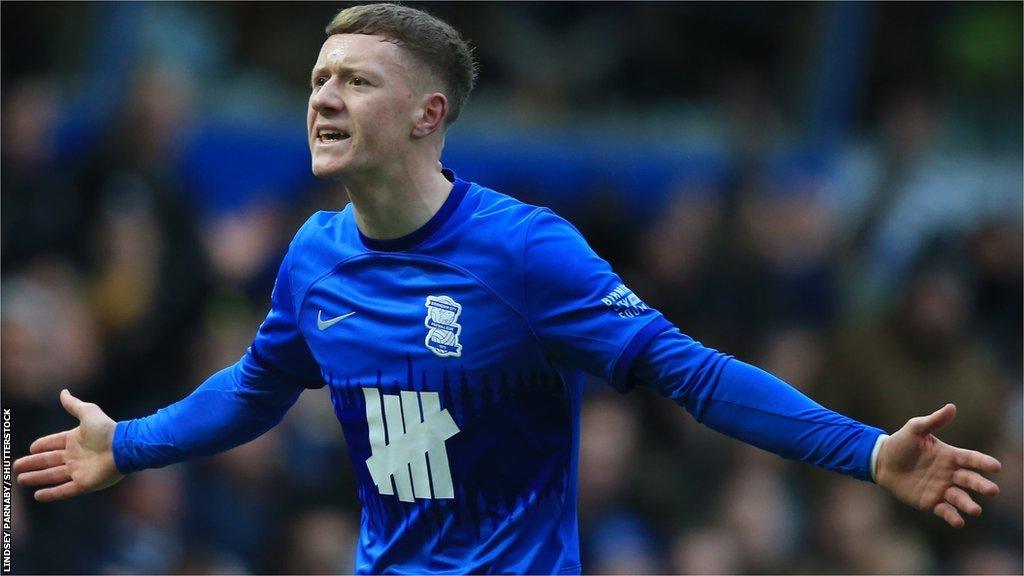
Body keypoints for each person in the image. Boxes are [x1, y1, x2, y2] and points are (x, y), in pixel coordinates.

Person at [14, 4, 1002, 574]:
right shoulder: (313, 256)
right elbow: (256, 387)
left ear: (426, 114)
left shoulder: (526, 253)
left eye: (355, 80)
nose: (322, 96)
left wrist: (865, 448)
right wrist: (130, 443)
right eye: (318, 77)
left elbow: (690, 374)